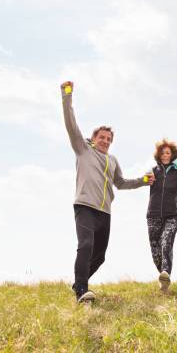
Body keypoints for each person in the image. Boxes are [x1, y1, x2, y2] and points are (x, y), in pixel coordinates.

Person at [61, 81, 154, 303]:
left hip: (105, 212)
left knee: (100, 256)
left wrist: (143, 180)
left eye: (109, 139)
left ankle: (78, 281)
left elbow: (120, 183)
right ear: (94, 139)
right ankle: (81, 291)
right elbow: (71, 125)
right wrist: (67, 96)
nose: (105, 141)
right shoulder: (82, 150)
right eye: (102, 137)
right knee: (85, 245)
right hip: (85, 206)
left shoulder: (112, 160)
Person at [146, 139, 177, 294]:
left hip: (172, 215)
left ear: (173, 155)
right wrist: (146, 179)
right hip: (153, 214)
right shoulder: (153, 170)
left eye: (168, 153)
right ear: (158, 155)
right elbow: (145, 180)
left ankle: (166, 272)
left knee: (166, 242)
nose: (165, 155)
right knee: (156, 250)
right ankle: (164, 278)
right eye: (162, 153)